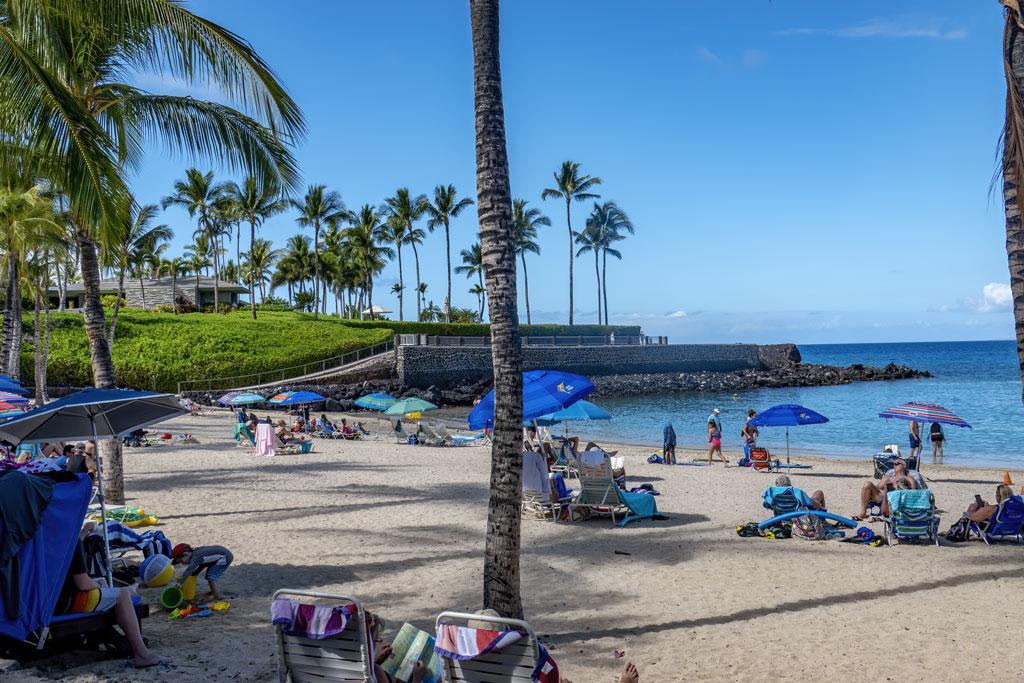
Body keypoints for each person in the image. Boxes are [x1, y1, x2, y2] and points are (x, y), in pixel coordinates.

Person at [56, 539, 168, 668]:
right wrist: (98, 585)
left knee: (108, 587)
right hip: (64, 602)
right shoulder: (70, 540)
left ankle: (130, 588)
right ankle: (143, 655)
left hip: (41, 601)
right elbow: (83, 584)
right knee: (122, 596)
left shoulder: (41, 534)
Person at [853, 458, 918, 520]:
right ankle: (863, 513)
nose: (894, 465)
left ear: (904, 466)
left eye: (897, 463)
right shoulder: (887, 478)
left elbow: (913, 492)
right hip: (884, 498)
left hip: (898, 499)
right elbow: (876, 488)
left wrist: (895, 490)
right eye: (893, 464)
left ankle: (886, 514)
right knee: (867, 484)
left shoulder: (909, 478)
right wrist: (884, 492)